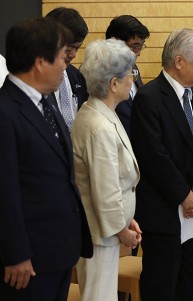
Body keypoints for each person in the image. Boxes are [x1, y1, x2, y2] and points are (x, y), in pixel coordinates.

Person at [0, 17, 93, 301]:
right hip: (28, 260)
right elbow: (5, 191)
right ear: (40, 62)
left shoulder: (44, 102)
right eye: (60, 58)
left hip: (58, 251)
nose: (66, 66)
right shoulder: (6, 113)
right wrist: (16, 254)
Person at [131, 28, 193, 301]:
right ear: (179, 61)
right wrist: (184, 195)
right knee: (162, 284)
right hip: (164, 209)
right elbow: (153, 156)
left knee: (191, 282)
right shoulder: (150, 97)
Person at [72, 39, 141, 301]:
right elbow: (104, 189)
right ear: (113, 83)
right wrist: (122, 230)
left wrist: (126, 219)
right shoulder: (97, 124)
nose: (133, 80)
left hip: (107, 230)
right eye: (130, 74)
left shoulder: (103, 112)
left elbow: (117, 183)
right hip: (100, 235)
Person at [46, 7, 89, 132]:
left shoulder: (76, 75)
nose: (74, 55)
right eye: (69, 48)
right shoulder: (34, 79)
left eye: (78, 48)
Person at [106, 15, 149, 138]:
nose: (138, 53)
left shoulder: (133, 68)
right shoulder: (99, 73)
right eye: (135, 47)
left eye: (141, 46)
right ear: (115, 43)